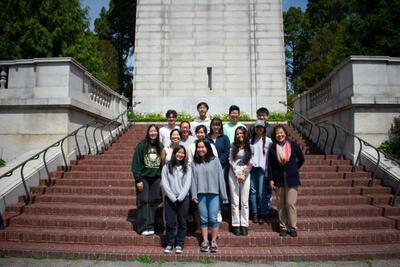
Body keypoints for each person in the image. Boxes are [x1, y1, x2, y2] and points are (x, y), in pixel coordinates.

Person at [191, 139, 228, 253]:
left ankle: (213, 241)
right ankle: (205, 241)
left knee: (213, 218)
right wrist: (194, 195)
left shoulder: (215, 160)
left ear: (208, 148)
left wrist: (224, 195)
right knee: (203, 219)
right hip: (201, 194)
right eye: (199, 147)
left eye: (203, 147)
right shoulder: (194, 162)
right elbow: (193, 180)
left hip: (214, 194)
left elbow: (221, 178)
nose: (201, 149)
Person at [268, 125, 304, 237]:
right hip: (278, 179)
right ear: (275, 135)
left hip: (292, 179)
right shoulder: (273, 147)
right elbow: (270, 165)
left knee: (290, 203)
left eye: (281, 132)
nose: (280, 135)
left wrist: (294, 168)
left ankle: (292, 227)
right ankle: (283, 226)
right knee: (281, 204)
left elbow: (301, 159)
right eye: (277, 133)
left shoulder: (293, 145)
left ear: (285, 133)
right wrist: (270, 179)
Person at [131, 124, 163, 236]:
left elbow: (163, 163)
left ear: (157, 133)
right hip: (143, 178)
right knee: (143, 202)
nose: (153, 133)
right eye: (151, 131)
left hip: (156, 178)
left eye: (155, 131)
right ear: (148, 133)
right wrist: (138, 179)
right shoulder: (142, 146)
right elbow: (135, 164)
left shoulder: (161, 146)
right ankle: (143, 227)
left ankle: (151, 225)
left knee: (154, 202)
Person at [161, 145, 191, 254]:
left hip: (183, 199)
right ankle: (169, 243)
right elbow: (164, 183)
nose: (180, 154)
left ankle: (180, 243)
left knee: (182, 222)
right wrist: (172, 197)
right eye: (178, 152)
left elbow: (188, 184)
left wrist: (181, 197)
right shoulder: (167, 166)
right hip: (170, 198)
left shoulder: (187, 167)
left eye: (182, 153)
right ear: (174, 153)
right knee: (170, 222)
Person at [229, 126, 252, 236]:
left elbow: (251, 162)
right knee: (234, 200)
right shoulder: (233, 146)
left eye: (241, 133)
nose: (239, 135)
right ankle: (236, 224)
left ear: (245, 134)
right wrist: (237, 174)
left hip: (246, 174)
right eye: (237, 134)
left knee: (244, 201)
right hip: (233, 174)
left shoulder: (250, 146)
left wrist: (244, 174)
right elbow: (230, 160)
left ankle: (244, 224)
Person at [249, 120, 273, 224]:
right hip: (252, 169)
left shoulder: (268, 141)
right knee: (253, 192)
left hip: (263, 170)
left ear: (264, 129)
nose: (259, 129)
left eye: (261, 127)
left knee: (262, 193)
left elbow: (271, 157)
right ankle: (255, 213)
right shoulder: (250, 141)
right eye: (257, 127)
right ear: (254, 129)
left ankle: (262, 213)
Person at [206, 117, 231, 200]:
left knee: (222, 185)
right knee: (212, 186)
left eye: (218, 125)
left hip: (223, 166)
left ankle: (222, 207)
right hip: (209, 166)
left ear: (221, 126)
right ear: (211, 126)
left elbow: (227, 152)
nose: (216, 127)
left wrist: (219, 162)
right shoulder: (207, 138)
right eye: (214, 125)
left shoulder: (224, 138)